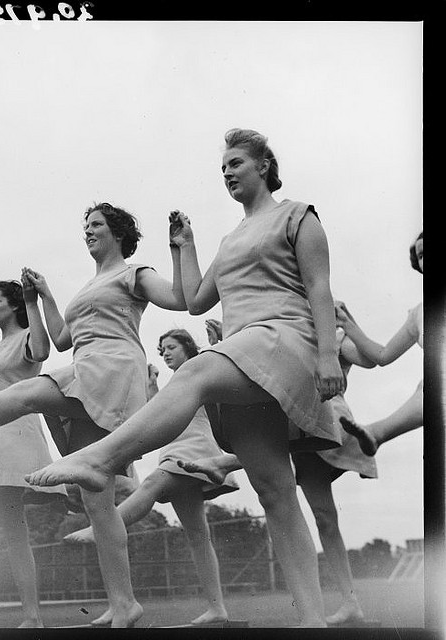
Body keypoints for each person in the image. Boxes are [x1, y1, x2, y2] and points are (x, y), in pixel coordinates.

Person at [25, 128, 345, 628]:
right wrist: (184, 245)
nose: (227, 172)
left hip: (285, 340)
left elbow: (320, 286)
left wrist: (329, 355)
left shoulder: (298, 216)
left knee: (195, 371)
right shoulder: (230, 238)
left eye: (236, 162)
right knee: (273, 489)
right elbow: (195, 299)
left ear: (264, 165)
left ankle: (101, 460)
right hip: (246, 355)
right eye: (222, 168)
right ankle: (312, 621)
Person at [0, 202, 188, 628]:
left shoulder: (134, 273)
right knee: (97, 502)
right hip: (86, 366)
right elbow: (63, 338)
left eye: (96, 225)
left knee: (28, 393)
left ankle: (123, 601)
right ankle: (124, 603)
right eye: (85, 226)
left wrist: (181, 249)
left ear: (118, 234)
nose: (87, 231)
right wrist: (42, 296)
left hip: (111, 368)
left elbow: (180, 298)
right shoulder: (88, 287)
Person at [179, 317, 378, 626]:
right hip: (293, 424)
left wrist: (348, 326)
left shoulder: (332, 337)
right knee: (319, 513)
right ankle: (348, 603)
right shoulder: (282, 332)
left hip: (329, 421)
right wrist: (224, 342)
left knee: (325, 517)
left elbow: (368, 359)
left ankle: (350, 601)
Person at [64, 329, 239, 627]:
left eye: (171, 347)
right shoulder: (175, 382)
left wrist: (218, 342)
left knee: (151, 486)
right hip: (174, 451)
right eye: (162, 350)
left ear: (188, 347)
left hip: (195, 449)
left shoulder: (202, 370)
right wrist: (152, 387)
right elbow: (161, 414)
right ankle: (216, 608)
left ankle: (99, 529)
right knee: (198, 535)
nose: (166, 353)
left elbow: (223, 374)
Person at [0, 278, 67, 628]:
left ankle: (33, 616)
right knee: (15, 534)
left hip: (14, 442)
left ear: (13, 305)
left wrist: (32, 301)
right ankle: (32, 617)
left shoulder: (26, 339)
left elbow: (42, 351)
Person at [335, 231, 423, 456]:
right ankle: (375, 433)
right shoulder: (419, 315)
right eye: (422, 255)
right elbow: (382, 356)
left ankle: (377, 433)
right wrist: (346, 322)